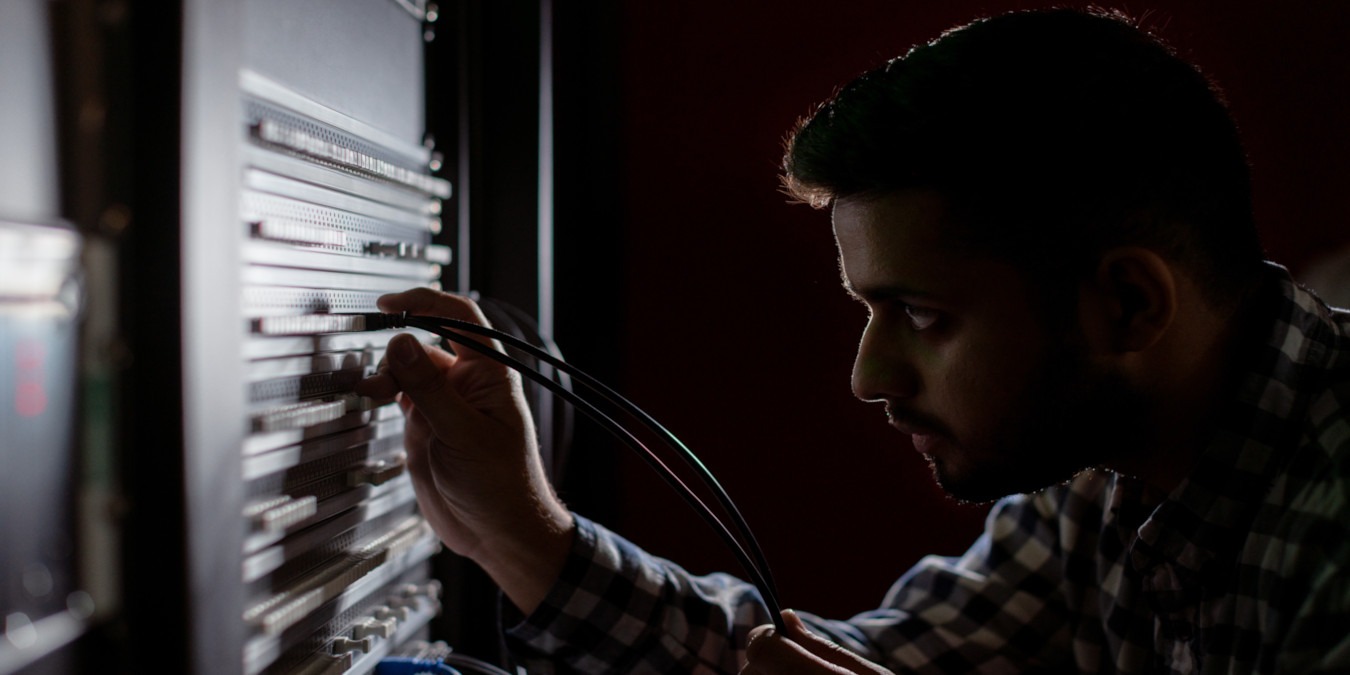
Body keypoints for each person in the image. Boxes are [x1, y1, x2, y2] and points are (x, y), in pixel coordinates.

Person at [357, 7, 1350, 673]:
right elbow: (860, 662)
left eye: (922, 317)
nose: (869, 376)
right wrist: (521, 532)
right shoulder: (1103, 474)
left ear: (1131, 305)